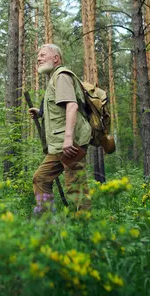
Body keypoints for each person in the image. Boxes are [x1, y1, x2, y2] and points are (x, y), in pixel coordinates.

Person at [29, 44, 92, 211]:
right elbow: (60, 109)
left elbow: (72, 106)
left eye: (43, 55)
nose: (39, 59)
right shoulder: (54, 79)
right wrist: (41, 112)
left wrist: (69, 139)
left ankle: (86, 229)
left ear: (56, 58)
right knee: (41, 178)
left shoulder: (61, 76)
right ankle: (48, 222)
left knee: (76, 187)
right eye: (38, 57)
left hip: (69, 144)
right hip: (58, 144)